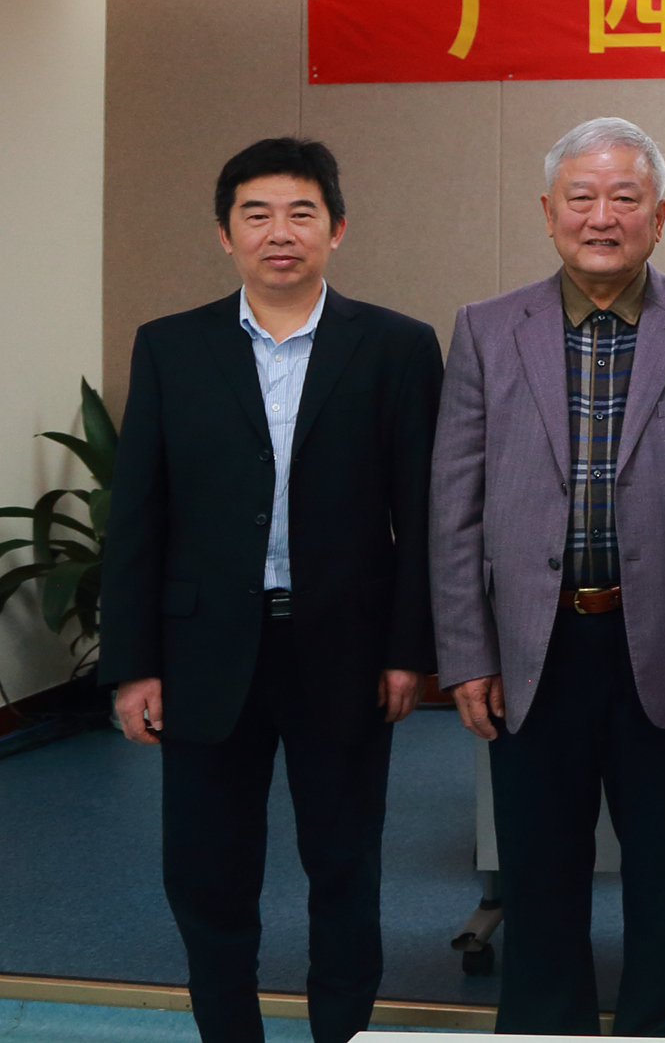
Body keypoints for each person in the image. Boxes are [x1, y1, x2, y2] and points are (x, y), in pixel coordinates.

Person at [97, 138, 443, 1043]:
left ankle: (341, 1035)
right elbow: (137, 517)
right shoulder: (171, 347)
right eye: (256, 215)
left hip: (345, 650)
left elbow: (423, 515)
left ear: (337, 229)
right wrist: (133, 664)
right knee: (207, 873)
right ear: (225, 234)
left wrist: (410, 651)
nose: (279, 233)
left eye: (301, 214)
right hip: (204, 652)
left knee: (344, 866)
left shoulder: (398, 347)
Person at [430, 117, 665, 1036]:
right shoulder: (487, 328)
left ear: (660, 215)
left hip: (664, 640)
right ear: (548, 211)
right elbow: (454, 503)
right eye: (582, 198)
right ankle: (545, 1027)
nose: (603, 217)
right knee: (538, 868)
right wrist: (467, 653)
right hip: (533, 645)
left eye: (625, 198)